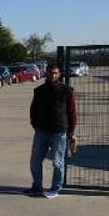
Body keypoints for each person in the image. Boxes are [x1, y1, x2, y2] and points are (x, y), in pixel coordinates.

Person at [28, 62, 77, 198]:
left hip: (59, 132)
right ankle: (37, 186)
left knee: (58, 161)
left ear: (59, 74)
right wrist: (36, 125)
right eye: (50, 72)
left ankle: (55, 188)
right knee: (35, 160)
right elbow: (33, 110)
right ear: (46, 73)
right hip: (42, 132)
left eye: (55, 73)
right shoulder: (39, 91)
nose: (53, 75)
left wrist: (72, 132)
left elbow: (72, 113)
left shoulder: (67, 91)